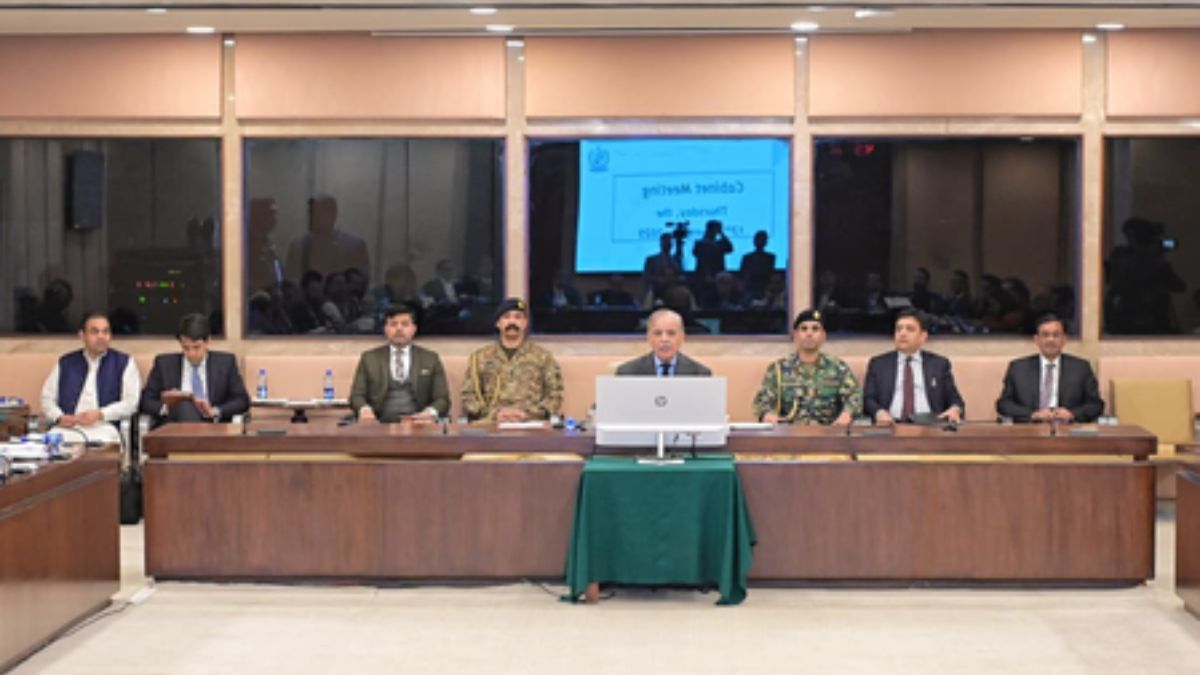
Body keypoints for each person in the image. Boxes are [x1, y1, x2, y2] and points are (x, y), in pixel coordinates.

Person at [40, 311, 141, 445]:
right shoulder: (66, 362)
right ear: (82, 335)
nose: (101, 336)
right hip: (68, 428)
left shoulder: (124, 363)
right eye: (95, 332)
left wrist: (100, 414)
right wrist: (59, 417)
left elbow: (131, 403)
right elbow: (47, 398)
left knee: (103, 447)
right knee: (50, 445)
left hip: (104, 427)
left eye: (105, 332)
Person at [461, 298, 563, 422]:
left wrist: (528, 414)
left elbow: (554, 395)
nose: (512, 321)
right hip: (491, 423)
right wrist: (495, 414)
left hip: (531, 423)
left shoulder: (543, 357)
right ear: (498, 323)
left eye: (518, 317)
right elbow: (468, 396)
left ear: (525, 323)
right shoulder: (479, 358)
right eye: (506, 317)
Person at [752, 309, 861, 425]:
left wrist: (847, 414)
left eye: (815, 329)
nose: (809, 334)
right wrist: (767, 414)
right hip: (790, 432)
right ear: (795, 335)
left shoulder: (838, 368)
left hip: (828, 432)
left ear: (823, 336)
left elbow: (854, 396)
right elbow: (762, 401)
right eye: (804, 329)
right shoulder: (778, 369)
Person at [139, 313, 249, 425]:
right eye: (186, 348)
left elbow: (242, 400)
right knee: (185, 406)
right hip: (175, 425)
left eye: (196, 347)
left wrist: (215, 411)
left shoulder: (226, 363)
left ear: (207, 341)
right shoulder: (164, 364)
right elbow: (146, 401)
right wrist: (167, 407)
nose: (191, 353)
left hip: (213, 424)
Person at [350, 303, 450, 423]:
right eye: (393, 324)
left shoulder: (430, 358)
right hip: (379, 424)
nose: (399, 329)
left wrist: (429, 413)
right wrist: (364, 410)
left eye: (405, 324)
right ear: (385, 329)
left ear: (414, 329)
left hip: (419, 424)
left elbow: (442, 399)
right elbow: (356, 396)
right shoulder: (369, 358)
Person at [996, 314, 1103, 424]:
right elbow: (1004, 404)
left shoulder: (1081, 368)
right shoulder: (1018, 368)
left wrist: (1072, 414)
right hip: (1030, 429)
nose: (1051, 340)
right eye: (1045, 335)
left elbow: (1096, 405)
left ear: (1064, 339)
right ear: (1037, 340)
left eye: (1056, 335)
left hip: (1068, 429)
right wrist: (1033, 415)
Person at [863, 309, 964, 424]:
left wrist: (955, 410)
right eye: (899, 329)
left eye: (910, 329)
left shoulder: (939, 364)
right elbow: (868, 399)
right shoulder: (878, 364)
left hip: (930, 426)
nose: (903, 333)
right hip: (891, 425)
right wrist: (879, 412)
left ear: (923, 336)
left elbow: (956, 400)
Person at [284, 194, 370, 282]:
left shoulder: (354, 247)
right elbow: (290, 282)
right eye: (310, 212)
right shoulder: (298, 247)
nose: (312, 217)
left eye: (317, 212)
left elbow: (361, 283)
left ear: (333, 214)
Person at [615, 309, 711, 376]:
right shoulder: (628, 373)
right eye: (658, 333)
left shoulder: (700, 374)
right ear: (648, 338)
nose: (664, 339)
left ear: (682, 337)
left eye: (671, 333)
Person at [739, 230, 775, 301]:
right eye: (758, 239)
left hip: (765, 287)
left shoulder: (770, 257)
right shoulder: (747, 257)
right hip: (750, 287)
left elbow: (770, 272)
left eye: (762, 240)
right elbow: (742, 273)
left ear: (765, 242)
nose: (760, 242)